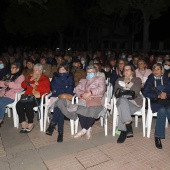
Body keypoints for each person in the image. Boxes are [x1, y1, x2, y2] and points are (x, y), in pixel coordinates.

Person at [73, 65, 106, 139]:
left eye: (92, 72)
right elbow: (77, 89)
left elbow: (102, 89)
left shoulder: (100, 79)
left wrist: (90, 93)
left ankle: (84, 130)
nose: (90, 74)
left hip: (96, 99)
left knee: (92, 111)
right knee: (80, 110)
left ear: (95, 73)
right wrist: (83, 95)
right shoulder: (83, 80)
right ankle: (88, 128)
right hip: (84, 99)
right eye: (88, 72)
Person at [16, 64, 50, 133]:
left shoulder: (44, 78)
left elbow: (47, 90)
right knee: (18, 105)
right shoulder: (30, 77)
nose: (34, 72)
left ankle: (30, 123)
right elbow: (23, 86)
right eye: (34, 70)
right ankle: (23, 122)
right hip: (28, 96)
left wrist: (36, 87)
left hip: (38, 97)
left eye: (36, 70)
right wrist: (31, 79)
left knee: (28, 105)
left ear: (40, 71)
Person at [142, 63, 170, 149]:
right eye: (154, 69)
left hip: (166, 101)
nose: (156, 71)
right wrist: (157, 95)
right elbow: (145, 92)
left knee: (169, 110)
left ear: (162, 70)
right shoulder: (150, 79)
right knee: (162, 111)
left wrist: (166, 94)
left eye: (158, 69)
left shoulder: (166, 79)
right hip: (156, 101)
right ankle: (158, 136)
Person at [45, 63, 74, 142]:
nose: (61, 71)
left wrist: (61, 91)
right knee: (60, 107)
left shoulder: (70, 77)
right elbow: (53, 87)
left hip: (65, 97)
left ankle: (53, 124)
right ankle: (60, 133)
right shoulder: (55, 76)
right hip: (56, 97)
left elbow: (70, 89)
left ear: (67, 70)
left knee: (60, 104)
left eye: (63, 69)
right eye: (60, 69)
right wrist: (62, 88)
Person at [114, 64, 142, 143]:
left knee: (123, 108)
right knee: (123, 100)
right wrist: (126, 87)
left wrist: (126, 84)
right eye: (124, 70)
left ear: (132, 71)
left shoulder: (137, 80)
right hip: (122, 101)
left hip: (134, 103)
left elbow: (135, 91)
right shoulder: (119, 80)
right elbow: (116, 92)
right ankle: (128, 125)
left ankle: (122, 131)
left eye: (128, 69)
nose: (125, 71)